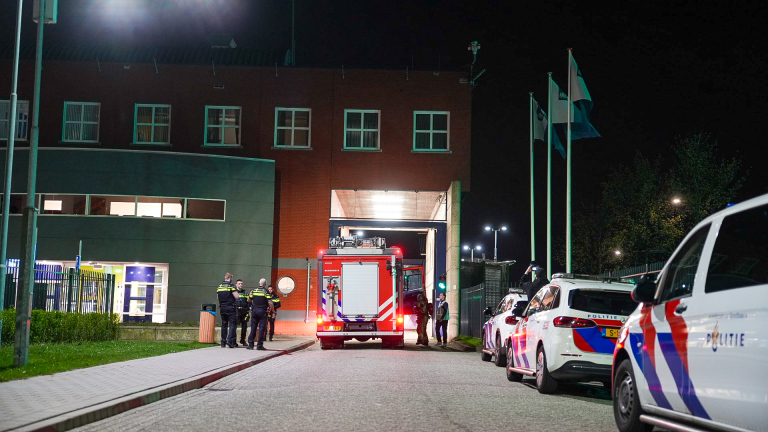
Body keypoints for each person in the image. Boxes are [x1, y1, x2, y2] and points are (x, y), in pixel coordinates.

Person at [216, 272, 239, 348]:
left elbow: (217, 297)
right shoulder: (231, 286)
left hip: (222, 307)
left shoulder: (219, 286)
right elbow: (236, 297)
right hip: (230, 307)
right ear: (230, 278)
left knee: (224, 324)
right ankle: (229, 341)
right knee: (232, 324)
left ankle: (223, 342)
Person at [246, 278, 269, 350]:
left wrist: (250, 295)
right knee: (262, 329)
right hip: (262, 311)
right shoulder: (266, 291)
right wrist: (273, 310)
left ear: (259, 283)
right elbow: (270, 302)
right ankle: (259, 345)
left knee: (253, 328)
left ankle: (250, 345)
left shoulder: (254, 291)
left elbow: (248, 300)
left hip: (254, 311)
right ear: (265, 284)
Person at [235, 279, 249, 346]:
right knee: (234, 326)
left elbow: (248, 301)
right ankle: (233, 341)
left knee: (244, 326)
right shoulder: (234, 292)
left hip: (244, 311)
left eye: (241, 283)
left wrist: (248, 309)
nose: (240, 285)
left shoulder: (245, 292)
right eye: (239, 283)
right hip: (237, 311)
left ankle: (242, 340)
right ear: (236, 284)